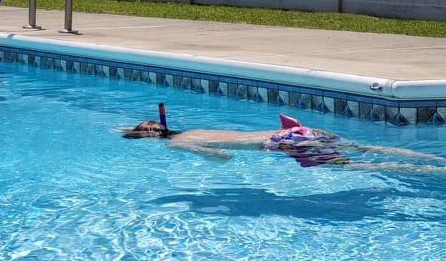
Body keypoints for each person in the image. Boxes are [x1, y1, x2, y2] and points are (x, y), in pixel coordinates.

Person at [117, 113, 446, 171]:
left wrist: (202, 159)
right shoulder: (193, 130)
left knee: (355, 167)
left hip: (286, 145)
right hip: (298, 132)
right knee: (366, 149)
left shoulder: (178, 144)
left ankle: (432, 174)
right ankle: (436, 161)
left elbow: (222, 158)